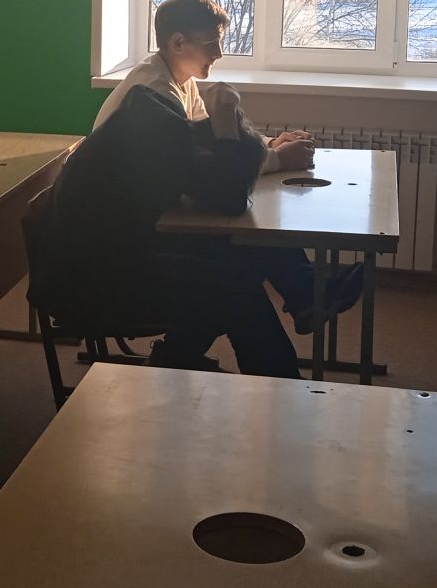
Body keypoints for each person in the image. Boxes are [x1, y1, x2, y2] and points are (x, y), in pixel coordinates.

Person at [94, 0, 362, 334]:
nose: (219, 53)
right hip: (133, 235)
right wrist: (278, 160)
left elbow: (210, 146)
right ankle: (304, 294)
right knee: (246, 252)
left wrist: (269, 144)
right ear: (178, 43)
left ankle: (304, 294)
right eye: (211, 44)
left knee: (249, 245)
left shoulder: (178, 80)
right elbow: (207, 170)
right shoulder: (158, 93)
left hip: (157, 211)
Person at [31, 69, 300, 378]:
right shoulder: (168, 140)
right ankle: (280, 387)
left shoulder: (162, 125)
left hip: (98, 259)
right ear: (207, 153)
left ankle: (175, 358)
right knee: (239, 292)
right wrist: (227, 122)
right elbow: (231, 197)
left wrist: (228, 130)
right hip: (90, 283)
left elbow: (223, 191)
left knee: (236, 258)